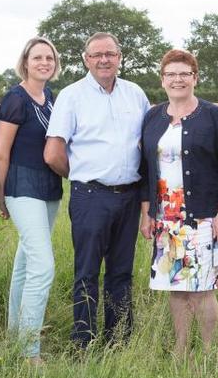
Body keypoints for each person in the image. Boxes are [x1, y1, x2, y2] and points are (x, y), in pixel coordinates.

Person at [44, 32, 150, 349]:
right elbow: (52, 153)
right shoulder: (72, 96)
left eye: (110, 54)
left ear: (120, 57)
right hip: (90, 196)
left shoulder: (135, 94)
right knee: (87, 272)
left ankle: (118, 341)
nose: (104, 60)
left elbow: (148, 142)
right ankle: (84, 343)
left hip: (129, 196)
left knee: (121, 272)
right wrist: (80, 175)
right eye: (96, 55)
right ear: (86, 59)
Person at [139, 49, 218, 357]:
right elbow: (145, 170)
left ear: (195, 78)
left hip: (204, 216)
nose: (177, 79)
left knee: (203, 290)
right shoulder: (153, 117)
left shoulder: (213, 116)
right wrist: (147, 214)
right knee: (175, 286)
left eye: (184, 74)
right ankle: (181, 348)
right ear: (162, 80)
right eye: (171, 74)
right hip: (165, 218)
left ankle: (208, 352)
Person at [0, 37, 63, 363]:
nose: (44, 62)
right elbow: (0, 153)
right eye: (38, 57)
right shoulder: (15, 99)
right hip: (22, 187)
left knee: (24, 263)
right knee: (42, 266)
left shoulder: (51, 98)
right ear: (26, 61)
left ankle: (13, 333)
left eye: (49, 57)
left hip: (49, 187)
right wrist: (2, 196)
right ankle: (28, 352)